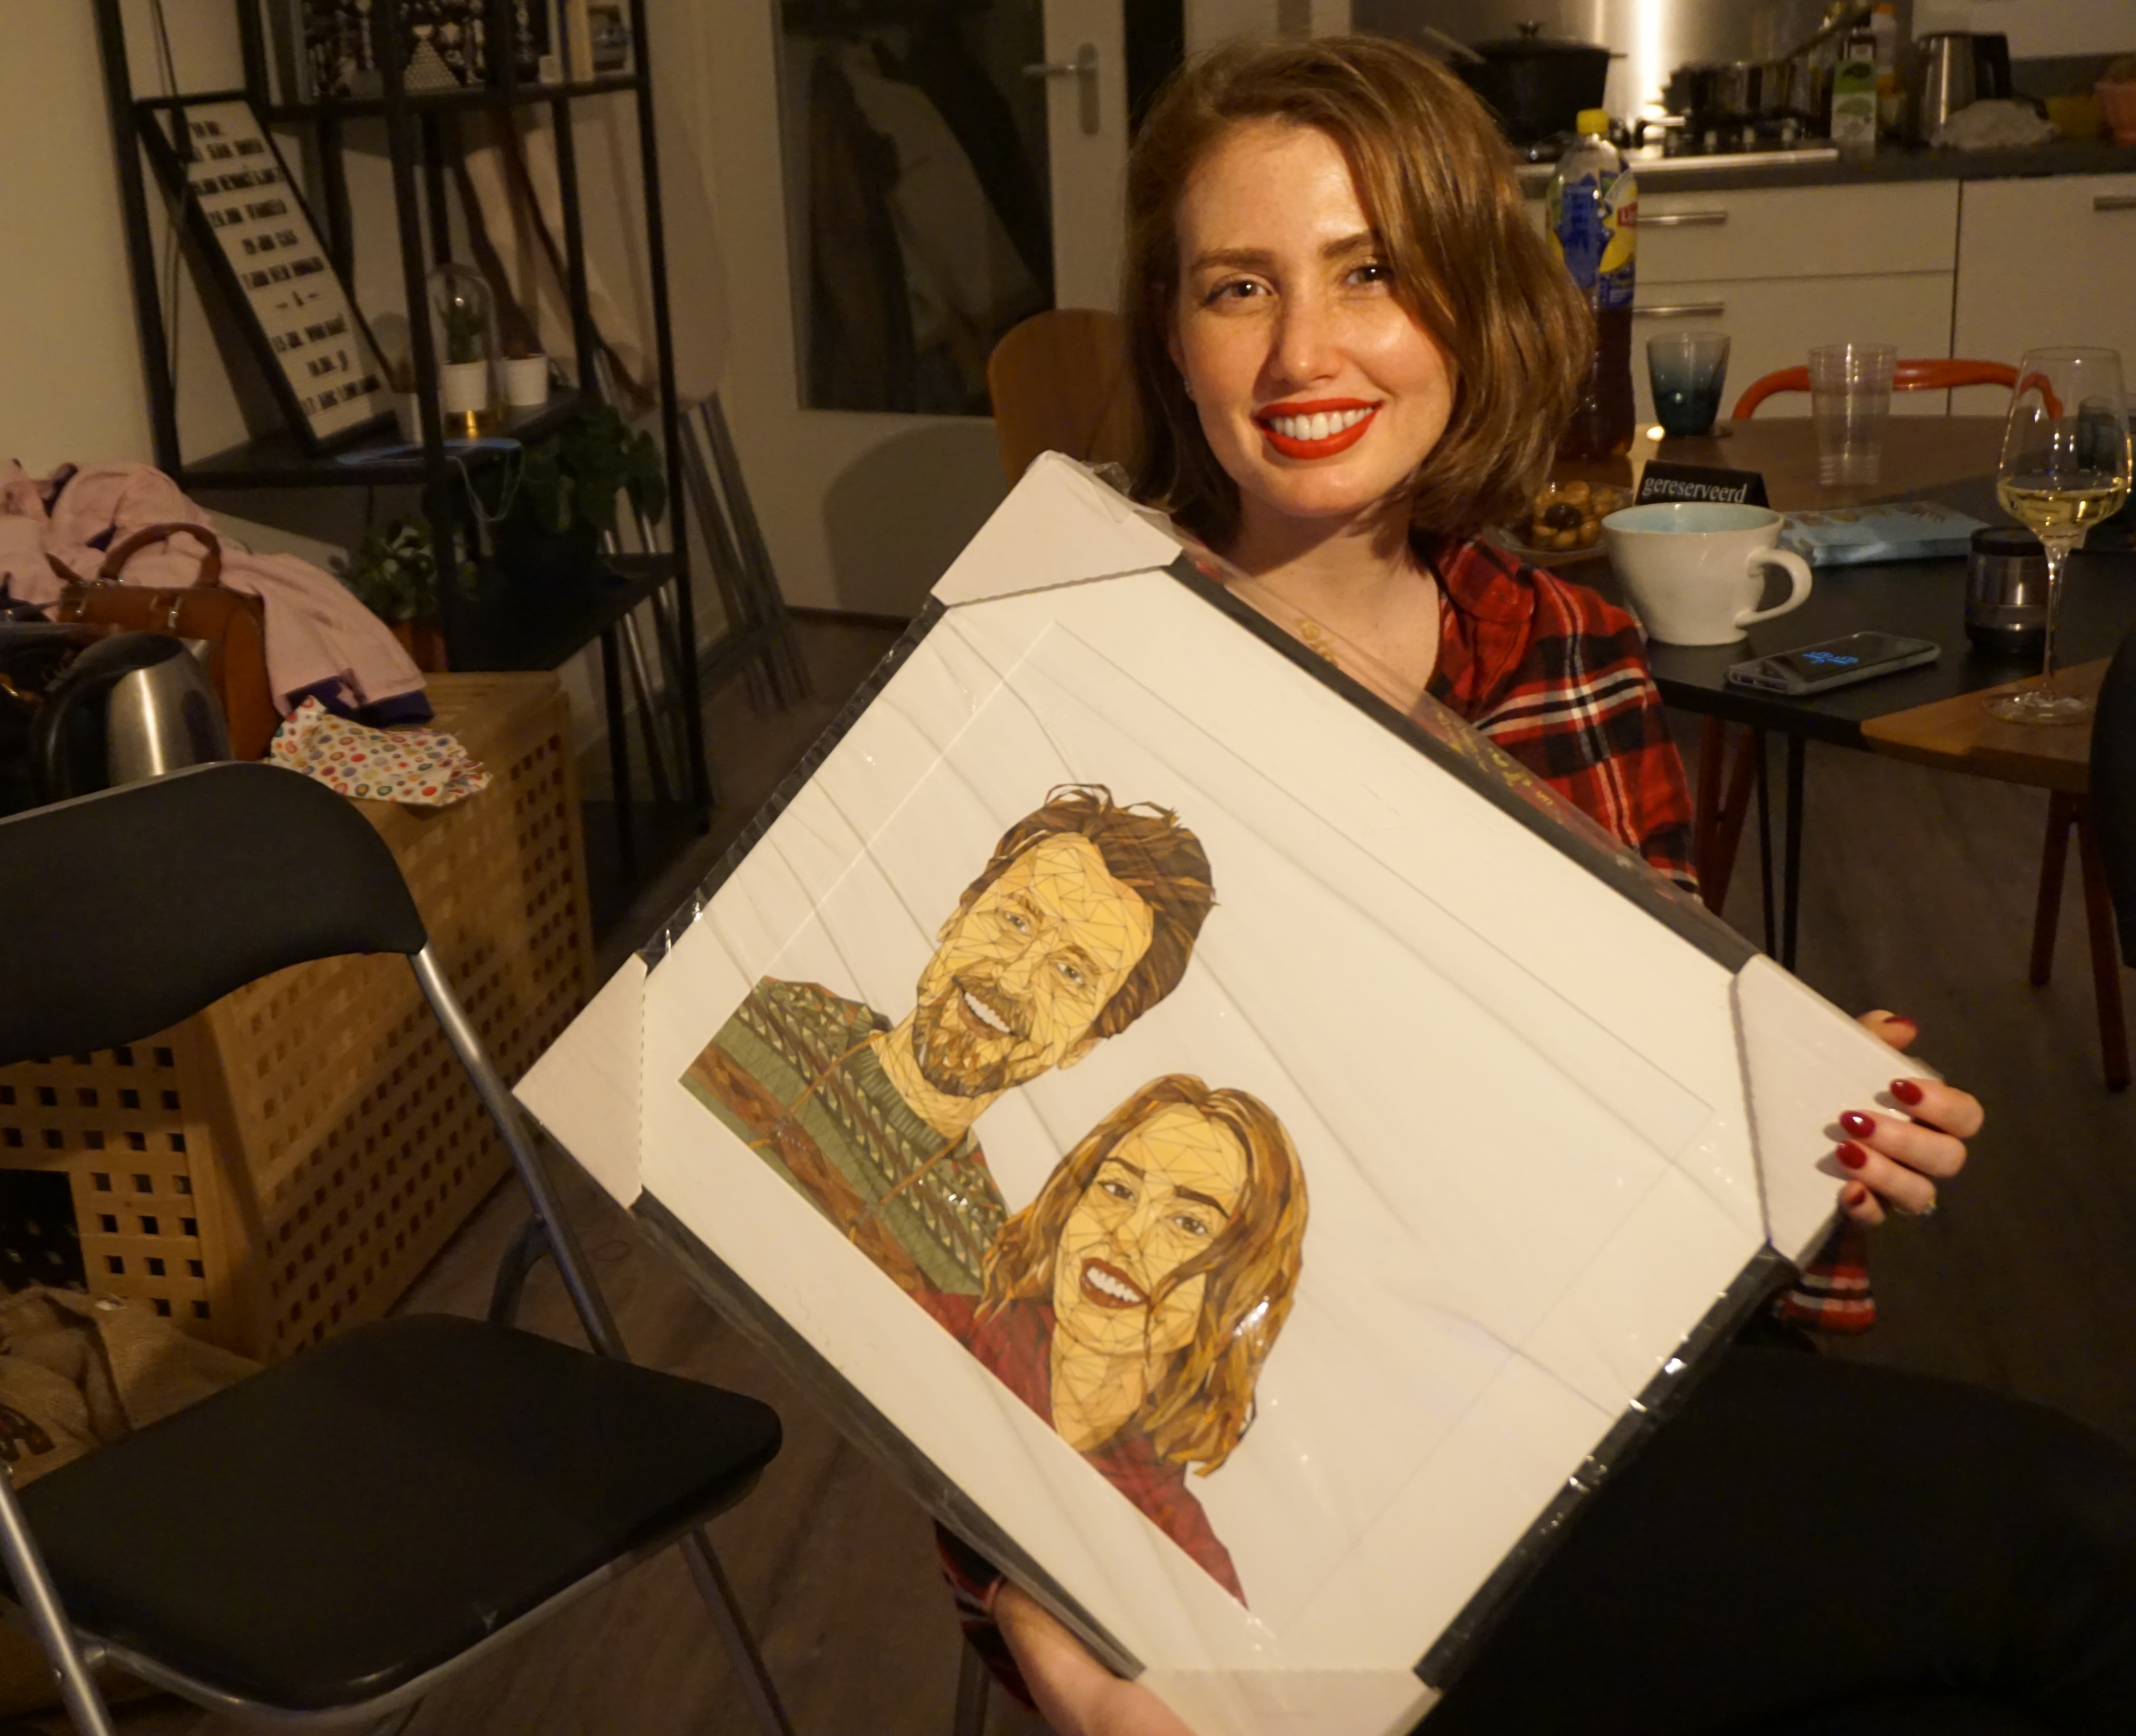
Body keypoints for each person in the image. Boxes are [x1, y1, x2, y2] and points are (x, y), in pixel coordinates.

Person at [953, 32, 2136, 1735]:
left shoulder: (1563, 646)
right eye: (1238, 287)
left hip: (1597, 1400)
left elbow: (1641, 1097)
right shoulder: (1062, 677)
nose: (1303, 350)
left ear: (1467, 301)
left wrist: (1802, 1124)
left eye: (1371, 271)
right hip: (1292, 1482)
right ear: (1172, 332)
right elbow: (945, 1229)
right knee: (2078, 1552)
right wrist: (1034, 1607)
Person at [681, 784, 1215, 1293]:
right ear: (958, 917)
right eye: (1015, 920)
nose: (1013, 977)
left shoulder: (971, 1266)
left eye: (1071, 973)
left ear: (1083, 1043)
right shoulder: (748, 1014)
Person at [914, 1075, 1308, 1601]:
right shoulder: (940, 1326)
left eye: (1189, 1224)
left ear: (1238, 1290)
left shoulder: (1186, 1564)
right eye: (1118, 1190)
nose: (1127, 1236)